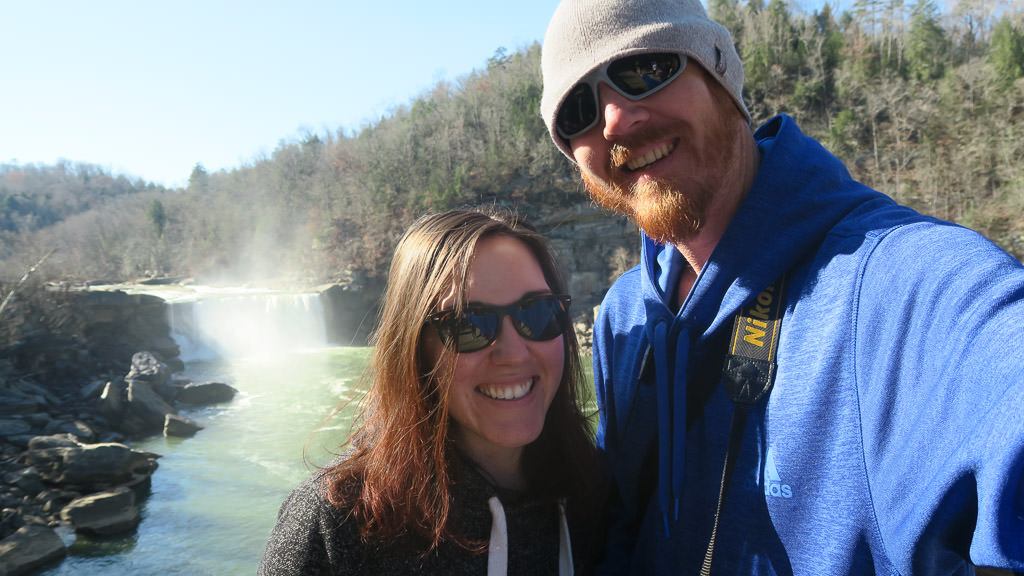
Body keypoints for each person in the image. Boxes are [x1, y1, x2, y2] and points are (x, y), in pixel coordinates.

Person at [539, 0, 1024, 574]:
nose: (615, 120)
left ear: (720, 71)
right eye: (578, 109)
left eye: (643, 70)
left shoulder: (890, 286)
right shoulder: (626, 317)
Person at [257, 208, 603, 575]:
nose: (514, 354)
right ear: (415, 348)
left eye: (538, 313)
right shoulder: (338, 523)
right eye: (468, 324)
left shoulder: (598, 495)